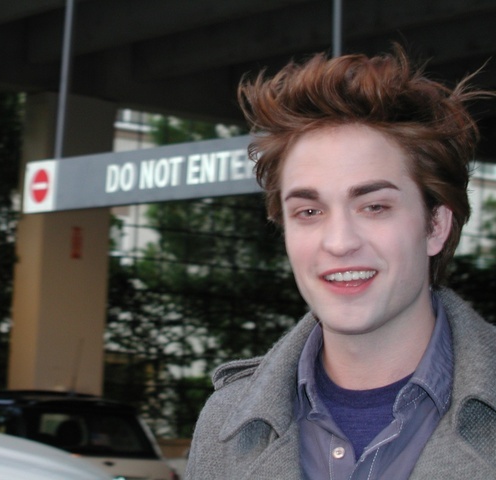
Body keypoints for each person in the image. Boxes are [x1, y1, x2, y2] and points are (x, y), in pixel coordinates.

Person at [185, 46, 496, 479]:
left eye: (374, 207)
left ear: (436, 226)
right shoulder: (225, 424)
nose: (339, 242)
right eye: (309, 211)